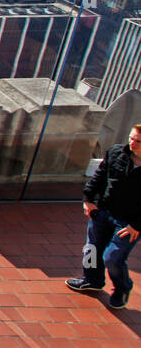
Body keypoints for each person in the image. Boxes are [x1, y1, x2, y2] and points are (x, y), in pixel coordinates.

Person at [67, 122, 141, 309]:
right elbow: (99, 177)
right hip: (103, 212)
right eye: (131, 138)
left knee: (113, 258)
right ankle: (91, 280)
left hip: (128, 224)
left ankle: (122, 288)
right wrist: (88, 199)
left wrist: (137, 225)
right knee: (91, 249)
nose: (132, 143)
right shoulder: (116, 152)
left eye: (139, 141)